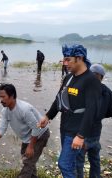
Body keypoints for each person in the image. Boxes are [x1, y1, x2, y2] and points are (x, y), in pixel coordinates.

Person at [38, 44, 101, 178]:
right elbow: (59, 99)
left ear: (79, 58)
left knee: (64, 164)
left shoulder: (91, 80)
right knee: (71, 164)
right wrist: (48, 116)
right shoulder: (69, 77)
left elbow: (92, 111)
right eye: (64, 60)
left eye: (68, 60)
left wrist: (81, 136)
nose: (65, 63)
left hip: (76, 131)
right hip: (65, 126)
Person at [0, 84, 50, 178]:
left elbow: (36, 128)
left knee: (28, 162)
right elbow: (1, 129)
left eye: (3, 97)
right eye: (0, 97)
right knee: (29, 162)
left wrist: (30, 146)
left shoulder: (24, 109)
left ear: (12, 96)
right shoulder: (5, 111)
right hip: (28, 137)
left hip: (40, 135)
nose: (1, 100)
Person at [76, 64, 112, 178]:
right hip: (96, 132)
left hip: (82, 133)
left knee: (79, 162)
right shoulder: (108, 92)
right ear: (102, 77)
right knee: (95, 160)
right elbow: (110, 113)